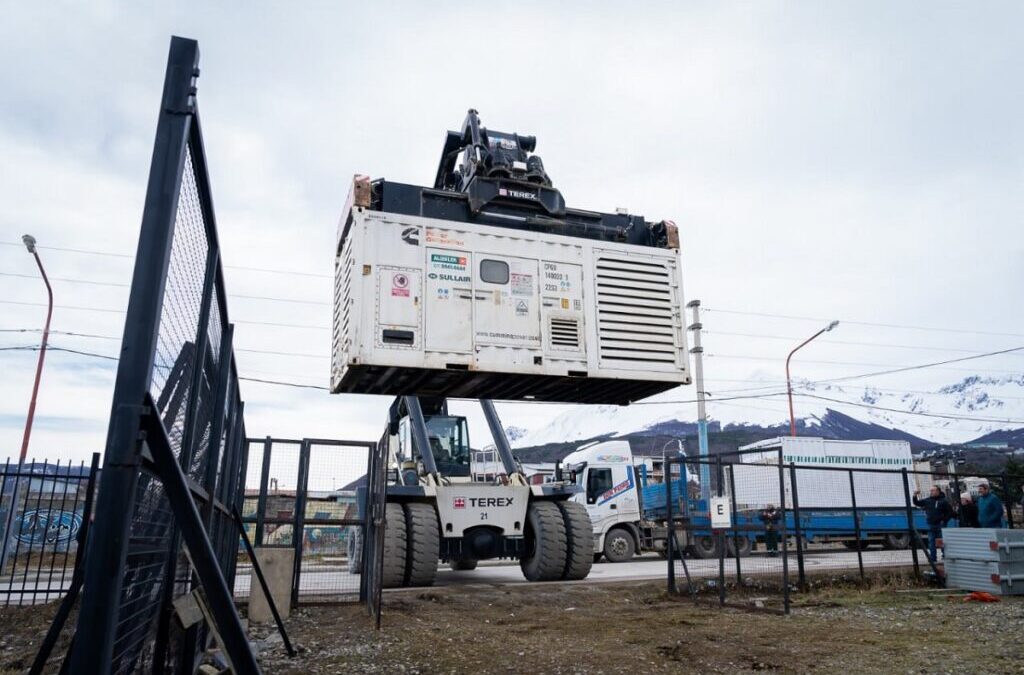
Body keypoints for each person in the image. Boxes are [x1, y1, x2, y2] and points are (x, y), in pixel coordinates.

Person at [913, 486, 953, 563]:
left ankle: (945, 556)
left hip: (940, 525)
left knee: (942, 542)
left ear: (938, 491)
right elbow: (917, 503)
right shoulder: (928, 500)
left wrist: (944, 520)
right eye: (931, 490)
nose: (931, 492)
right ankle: (933, 558)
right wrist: (915, 495)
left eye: (933, 490)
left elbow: (950, 512)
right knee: (931, 542)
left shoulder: (943, 501)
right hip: (931, 524)